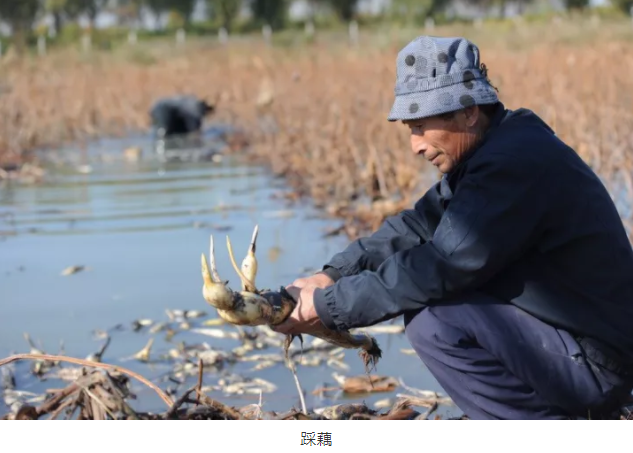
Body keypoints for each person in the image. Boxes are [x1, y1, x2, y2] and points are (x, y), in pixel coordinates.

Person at [272, 35, 633, 420]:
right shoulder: (497, 149)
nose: (415, 146)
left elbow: (442, 264)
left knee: (434, 320)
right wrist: (332, 276)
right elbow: (415, 226)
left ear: (469, 112)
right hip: (579, 348)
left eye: (420, 126)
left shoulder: (513, 165)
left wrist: (328, 308)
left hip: (600, 365)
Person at [149, 95, 214, 139]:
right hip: (164, 111)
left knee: (161, 134)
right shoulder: (194, 110)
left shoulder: (191, 104)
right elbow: (194, 132)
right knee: (163, 133)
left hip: (159, 107)